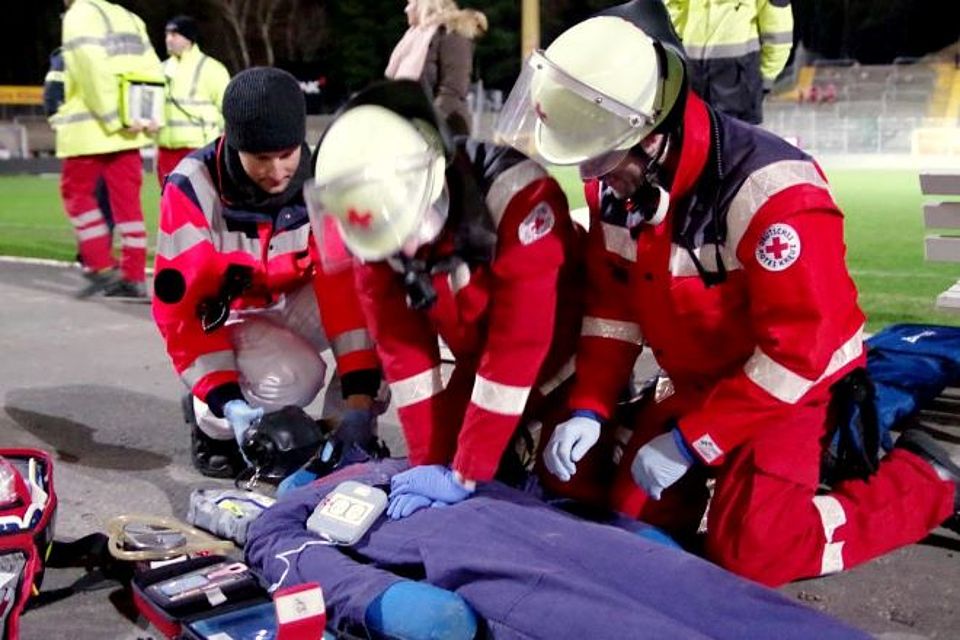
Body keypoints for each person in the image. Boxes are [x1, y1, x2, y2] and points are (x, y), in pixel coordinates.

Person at [493, 15, 959, 587]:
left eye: (601, 158)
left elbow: (799, 353)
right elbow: (612, 312)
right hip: (699, 381)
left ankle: (931, 480)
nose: (590, 176)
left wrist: (691, 443)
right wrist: (590, 406)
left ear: (651, 137)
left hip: (793, 390)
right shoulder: (623, 180)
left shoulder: (773, 194)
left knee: (752, 552)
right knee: (629, 516)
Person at [309, 79, 582, 518]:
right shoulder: (375, 233)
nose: (405, 250)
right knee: (445, 464)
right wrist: (428, 462)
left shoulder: (520, 198)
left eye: (409, 231)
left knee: (575, 492)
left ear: (436, 184)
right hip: (480, 365)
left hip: (569, 359)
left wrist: (466, 471)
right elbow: (406, 356)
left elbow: (519, 343)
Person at [245, 458, 868, 640]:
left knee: (723, 600)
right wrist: (382, 597)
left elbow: (519, 485)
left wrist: (613, 525)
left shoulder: (412, 454)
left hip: (547, 528)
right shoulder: (293, 507)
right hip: (478, 560)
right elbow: (292, 559)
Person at [152, 67, 383, 479]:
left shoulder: (325, 182)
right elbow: (185, 314)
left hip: (289, 299)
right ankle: (212, 422)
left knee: (381, 308)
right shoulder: (193, 189)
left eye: (286, 154)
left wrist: (358, 405)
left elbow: (344, 292)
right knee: (297, 378)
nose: (277, 171)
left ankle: (346, 440)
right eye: (261, 158)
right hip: (231, 315)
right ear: (235, 144)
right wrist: (226, 398)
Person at [56, 0, 163, 300]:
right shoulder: (130, 18)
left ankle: (100, 265)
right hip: (131, 128)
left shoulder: (79, 14)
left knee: (75, 193)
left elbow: (90, 68)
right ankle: (133, 276)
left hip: (93, 128)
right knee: (128, 204)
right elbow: (152, 69)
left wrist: (113, 118)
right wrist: (143, 117)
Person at [664, 0, 793, 124]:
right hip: (694, 79)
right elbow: (673, 7)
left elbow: (779, 31)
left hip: (739, 83)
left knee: (735, 137)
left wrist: (765, 78)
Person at [44, 46, 115, 262]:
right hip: (88, 142)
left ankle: (97, 253)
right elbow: (52, 96)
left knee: (104, 200)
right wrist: (64, 127)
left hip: (109, 141)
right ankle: (92, 253)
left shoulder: (110, 53)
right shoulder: (67, 56)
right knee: (91, 199)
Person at [385, 0, 487, 136]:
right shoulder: (415, 38)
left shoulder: (451, 34)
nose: (406, 9)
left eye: (411, 3)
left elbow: (453, 91)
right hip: (410, 128)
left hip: (441, 131)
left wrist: (425, 127)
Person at [156, 15, 231, 187]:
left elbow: (227, 109)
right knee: (169, 198)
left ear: (188, 38)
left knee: (201, 198)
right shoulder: (161, 69)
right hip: (165, 150)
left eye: (174, 34)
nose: (168, 39)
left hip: (200, 148)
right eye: (167, 34)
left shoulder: (212, 69)